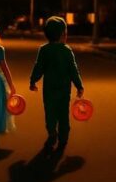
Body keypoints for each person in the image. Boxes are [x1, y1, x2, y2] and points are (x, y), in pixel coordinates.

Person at [30, 16, 84, 153]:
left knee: (50, 113)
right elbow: (73, 70)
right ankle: (63, 138)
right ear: (62, 34)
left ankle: (52, 132)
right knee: (63, 114)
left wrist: (33, 81)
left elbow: (38, 67)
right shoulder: (67, 51)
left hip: (49, 89)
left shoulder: (44, 50)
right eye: (65, 33)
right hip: (64, 90)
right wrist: (79, 86)